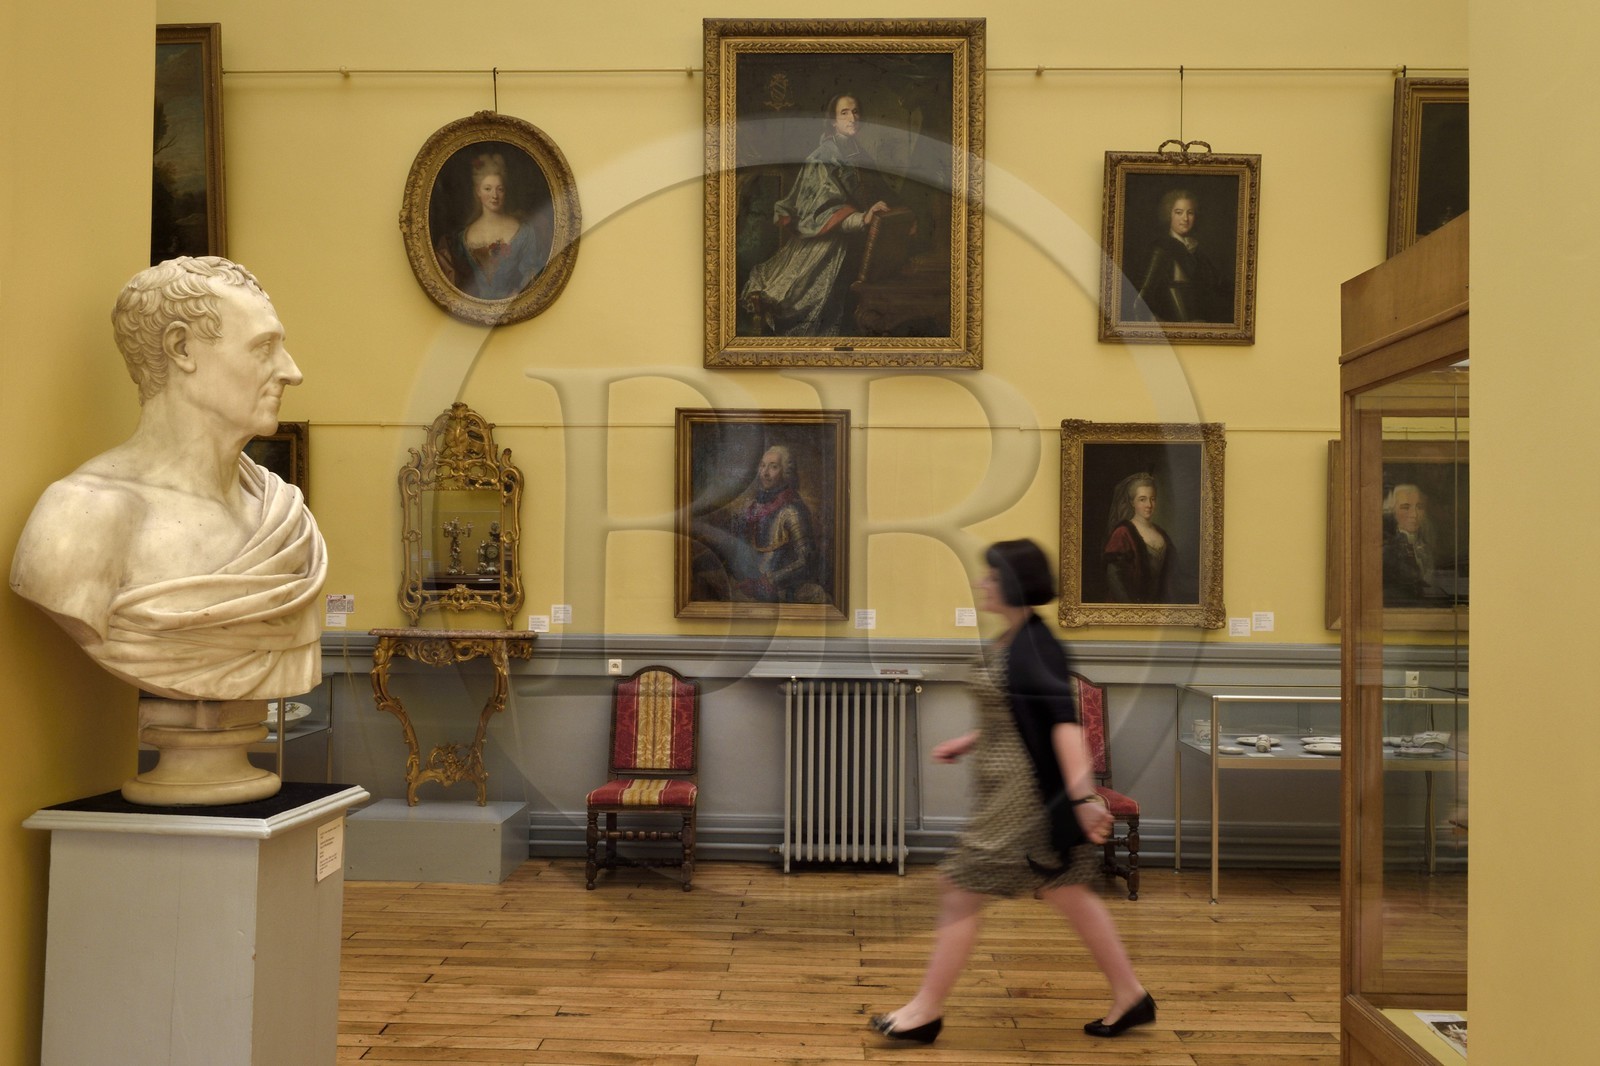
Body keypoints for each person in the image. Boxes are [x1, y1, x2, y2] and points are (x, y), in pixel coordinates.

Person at [870, 539, 1153, 1045]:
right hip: (1006, 792)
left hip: (1022, 803)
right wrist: (969, 739)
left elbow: (1064, 728)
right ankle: (1131, 995)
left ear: (1012, 584)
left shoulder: (1033, 647)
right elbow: (1017, 713)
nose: (982, 583)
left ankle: (925, 1011)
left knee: (959, 890)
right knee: (1070, 894)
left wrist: (1086, 801)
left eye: (991, 576)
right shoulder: (1017, 639)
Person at [9, 256, 327, 702]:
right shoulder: (84, 515)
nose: (291, 371)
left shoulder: (282, 517)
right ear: (181, 348)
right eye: (263, 347)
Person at [740, 93, 892, 336]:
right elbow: (823, 210)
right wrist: (863, 218)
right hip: (825, 244)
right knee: (810, 306)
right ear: (833, 121)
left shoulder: (859, 153)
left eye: (855, 112)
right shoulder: (822, 157)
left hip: (860, 244)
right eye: (844, 113)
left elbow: (877, 192)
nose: (852, 118)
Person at [698, 444, 827, 603]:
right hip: (747, 581)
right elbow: (733, 545)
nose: (765, 473)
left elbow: (806, 560)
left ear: (785, 472)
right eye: (762, 466)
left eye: (773, 467)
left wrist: (768, 581)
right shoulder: (751, 507)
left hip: (778, 586)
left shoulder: (792, 511)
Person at [435, 152, 547, 300]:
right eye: (487, 189)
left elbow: (532, 272)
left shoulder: (524, 231)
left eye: (500, 189)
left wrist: (519, 294)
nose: (494, 195)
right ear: (478, 192)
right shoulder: (463, 237)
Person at [1131, 188, 1229, 323]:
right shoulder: (1161, 248)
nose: (1185, 218)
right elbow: (1140, 302)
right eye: (1179, 212)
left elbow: (1213, 292)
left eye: (1190, 213)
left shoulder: (1197, 251)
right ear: (1168, 214)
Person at [1102, 472, 1173, 602]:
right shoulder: (1122, 533)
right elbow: (1114, 578)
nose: (1149, 505)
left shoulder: (1162, 535)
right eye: (1142, 499)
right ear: (1132, 502)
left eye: (1152, 499)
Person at [1381, 483, 1435, 604]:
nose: (1414, 515)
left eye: (1419, 507)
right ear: (1392, 511)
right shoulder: (1387, 551)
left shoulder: (1426, 544)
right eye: (1405, 507)